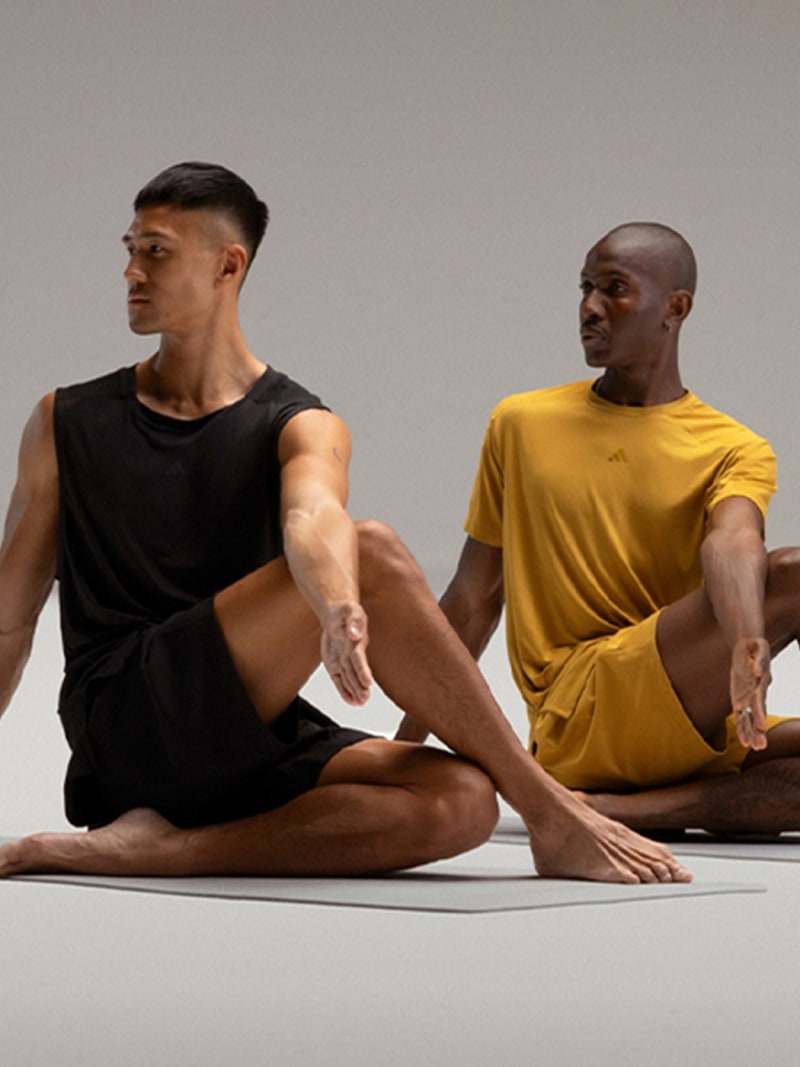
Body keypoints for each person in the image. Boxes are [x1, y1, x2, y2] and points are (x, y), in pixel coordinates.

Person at [0, 166, 688, 884]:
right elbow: (10, 623)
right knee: (374, 551)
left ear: (227, 265)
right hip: (126, 723)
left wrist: (336, 605)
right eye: (130, 248)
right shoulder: (66, 420)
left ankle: (160, 850)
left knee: (461, 802)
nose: (131, 270)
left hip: (241, 734)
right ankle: (551, 810)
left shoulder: (298, 420)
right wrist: (341, 593)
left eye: (156, 250)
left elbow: (312, 513)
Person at [399, 221, 800, 837]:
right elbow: (473, 598)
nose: (589, 307)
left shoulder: (732, 445)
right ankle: (621, 795)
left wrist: (749, 641)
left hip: (687, 719)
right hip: (577, 712)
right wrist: (405, 755)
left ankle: (616, 809)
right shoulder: (523, 423)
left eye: (614, 289)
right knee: (793, 573)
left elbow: (733, 540)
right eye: (585, 288)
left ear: (676, 308)